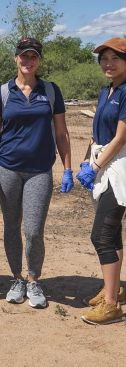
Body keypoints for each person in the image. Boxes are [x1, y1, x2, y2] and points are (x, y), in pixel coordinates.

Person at [0, 37, 73, 309]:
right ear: (16, 58)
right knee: (11, 226)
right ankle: (17, 278)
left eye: (33, 56)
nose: (28, 61)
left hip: (39, 171)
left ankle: (34, 280)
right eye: (23, 56)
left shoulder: (50, 91)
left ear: (39, 61)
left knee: (33, 231)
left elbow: (61, 132)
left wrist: (67, 168)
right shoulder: (2, 93)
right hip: (7, 168)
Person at [77, 37, 126, 325]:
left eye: (115, 58)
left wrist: (94, 165)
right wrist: (86, 162)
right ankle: (114, 290)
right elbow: (97, 134)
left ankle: (110, 306)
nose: (108, 63)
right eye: (104, 58)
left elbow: (120, 138)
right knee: (113, 233)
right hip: (103, 164)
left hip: (119, 168)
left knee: (102, 236)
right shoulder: (105, 92)